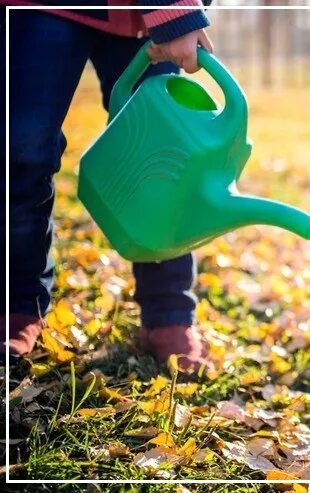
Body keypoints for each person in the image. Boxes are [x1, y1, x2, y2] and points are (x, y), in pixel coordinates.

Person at [2, 0, 215, 371]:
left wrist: (176, 10)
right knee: (20, 149)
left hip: (141, 17)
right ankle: (17, 305)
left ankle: (169, 311)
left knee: (161, 157)